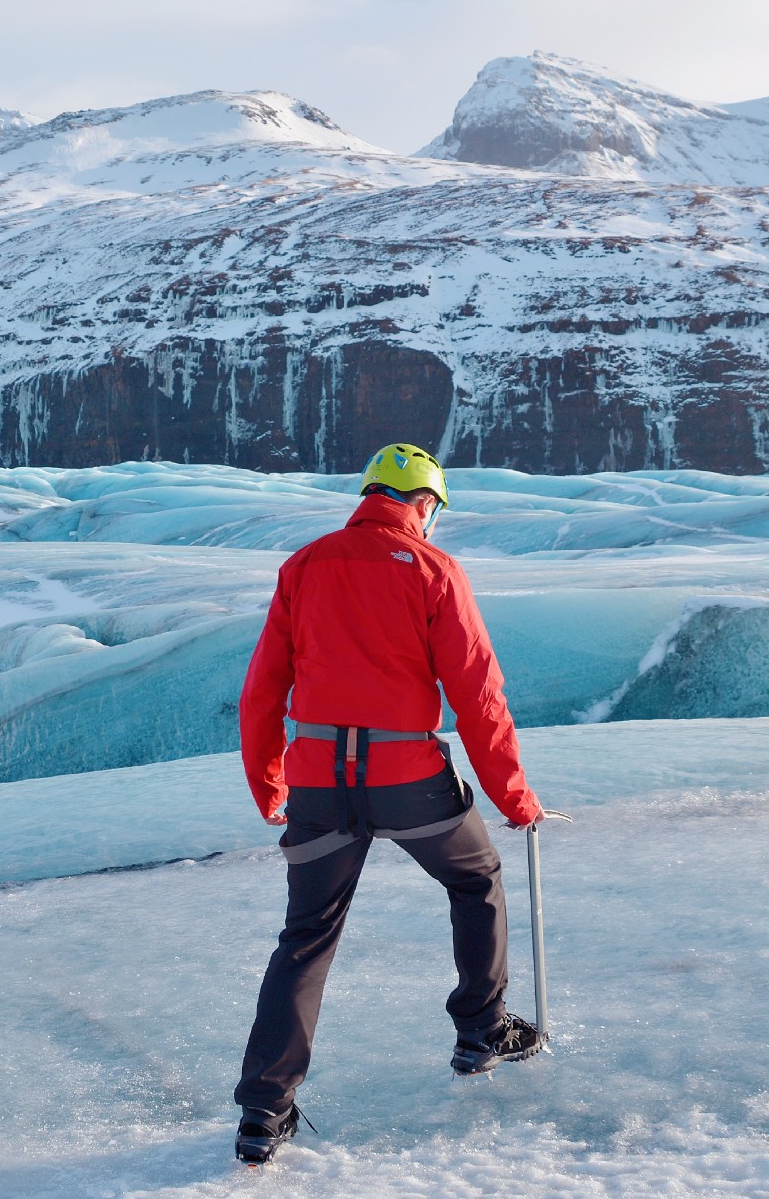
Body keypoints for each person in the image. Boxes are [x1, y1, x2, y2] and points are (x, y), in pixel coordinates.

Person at [231, 442, 545, 1165]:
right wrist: (515, 798)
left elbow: (261, 692)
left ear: (370, 491)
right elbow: (479, 699)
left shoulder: (304, 566)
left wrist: (271, 784)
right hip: (410, 780)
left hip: (317, 784)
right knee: (475, 877)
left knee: (306, 934)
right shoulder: (435, 570)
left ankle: (262, 1111)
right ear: (425, 504)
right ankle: (480, 1029)